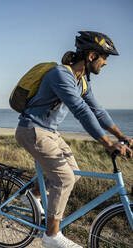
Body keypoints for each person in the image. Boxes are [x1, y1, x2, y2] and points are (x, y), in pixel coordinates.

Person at [15, 31, 133, 248]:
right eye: (104, 57)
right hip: (32, 130)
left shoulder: (82, 83)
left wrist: (121, 136)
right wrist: (107, 144)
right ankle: (51, 236)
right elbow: (80, 110)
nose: (105, 63)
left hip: (50, 132)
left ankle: (31, 196)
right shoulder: (61, 75)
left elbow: (97, 111)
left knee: (74, 174)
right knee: (65, 179)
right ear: (91, 56)